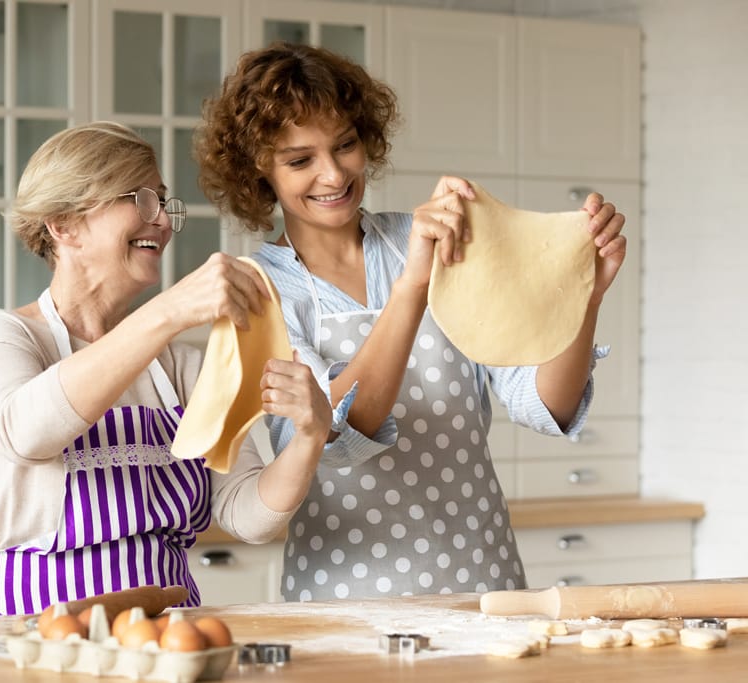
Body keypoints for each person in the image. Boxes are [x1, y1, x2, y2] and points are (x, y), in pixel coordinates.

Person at [195, 43, 627, 601]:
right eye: (300, 160)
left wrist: (582, 297)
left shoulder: (435, 238)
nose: (332, 174)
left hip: (483, 581)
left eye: (345, 145)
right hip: (346, 597)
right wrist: (413, 288)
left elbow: (543, 404)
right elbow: (333, 440)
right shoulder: (258, 293)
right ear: (259, 167)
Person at [0, 121, 332, 617]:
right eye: (143, 200)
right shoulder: (1, 336)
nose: (164, 222)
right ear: (63, 224)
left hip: (165, 637)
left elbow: (247, 515)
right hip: (26, 638)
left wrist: (309, 437)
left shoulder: (179, 366)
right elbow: (26, 432)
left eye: (164, 203)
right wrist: (169, 310)